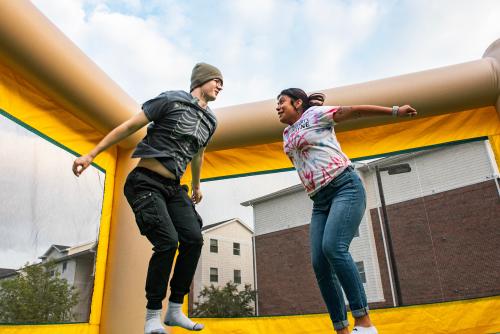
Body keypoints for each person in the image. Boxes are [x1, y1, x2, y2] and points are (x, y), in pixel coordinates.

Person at [73, 63, 224, 334]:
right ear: (201, 81)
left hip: (174, 187)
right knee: (167, 241)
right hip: (145, 182)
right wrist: (92, 154)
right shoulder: (170, 99)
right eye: (216, 80)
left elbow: (198, 153)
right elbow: (130, 125)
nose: (220, 86)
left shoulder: (211, 121)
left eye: (222, 83)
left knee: (193, 238)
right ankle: (152, 316)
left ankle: (175, 309)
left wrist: (197, 185)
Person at [275, 88, 416, 334]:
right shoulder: (287, 132)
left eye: (282, 102)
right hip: (319, 201)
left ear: (297, 102)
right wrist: (310, 110)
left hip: (345, 187)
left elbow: (356, 111)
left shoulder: (317, 114)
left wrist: (395, 111)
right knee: (319, 263)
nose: (277, 107)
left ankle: (364, 322)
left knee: (333, 248)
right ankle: (341, 329)